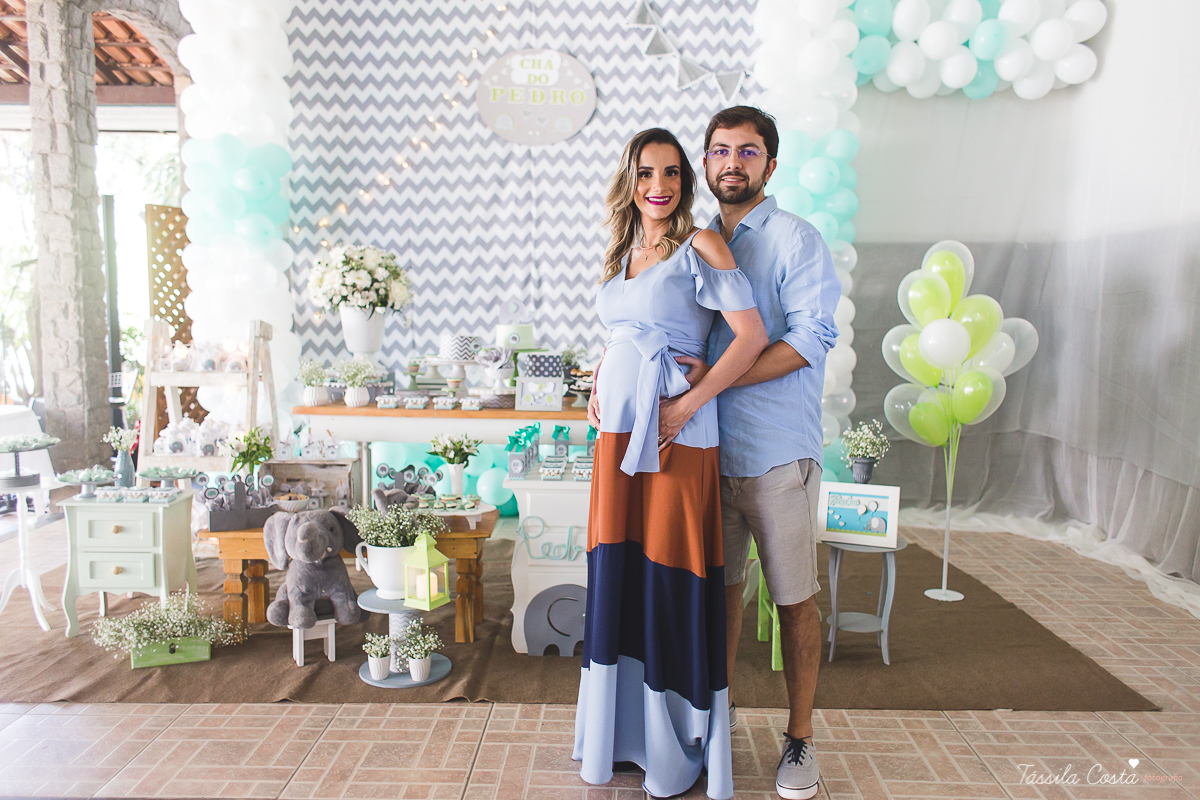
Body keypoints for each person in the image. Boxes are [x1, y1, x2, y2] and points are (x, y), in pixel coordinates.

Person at [574, 127, 768, 800]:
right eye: (646, 172)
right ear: (629, 181)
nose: (659, 185)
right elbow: (624, 333)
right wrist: (600, 384)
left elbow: (752, 338)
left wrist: (691, 404)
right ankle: (622, 733)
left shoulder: (699, 246)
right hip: (616, 436)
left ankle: (674, 741)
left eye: (672, 174)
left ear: (686, 184)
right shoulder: (623, 250)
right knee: (620, 567)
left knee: (670, 571)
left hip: (675, 434)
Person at [673, 106, 841, 800]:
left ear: (770, 165)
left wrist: (716, 378)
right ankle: (717, 715)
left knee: (794, 598)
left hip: (778, 456)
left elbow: (810, 339)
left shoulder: (797, 240)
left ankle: (799, 737)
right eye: (719, 151)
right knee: (722, 596)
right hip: (708, 452)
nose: (732, 163)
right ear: (705, 165)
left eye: (747, 152)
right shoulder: (694, 239)